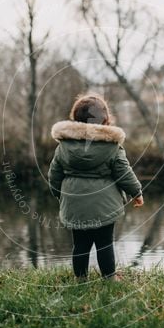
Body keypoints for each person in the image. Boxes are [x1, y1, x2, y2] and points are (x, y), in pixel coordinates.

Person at [48, 94, 144, 280]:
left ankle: (80, 278)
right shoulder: (112, 147)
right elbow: (124, 173)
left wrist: (60, 195)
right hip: (105, 206)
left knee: (80, 245)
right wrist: (136, 192)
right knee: (105, 244)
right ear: (106, 120)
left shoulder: (63, 147)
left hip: (74, 204)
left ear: (75, 120)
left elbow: (54, 175)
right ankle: (109, 277)